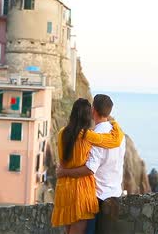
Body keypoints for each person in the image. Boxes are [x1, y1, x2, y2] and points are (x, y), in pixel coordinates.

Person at [51, 98, 124, 234]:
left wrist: (63, 171)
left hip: (63, 189)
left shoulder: (61, 133)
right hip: (81, 190)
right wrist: (116, 127)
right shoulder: (88, 136)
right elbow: (112, 140)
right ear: (88, 114)